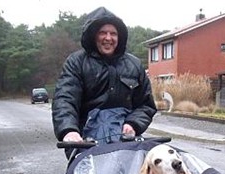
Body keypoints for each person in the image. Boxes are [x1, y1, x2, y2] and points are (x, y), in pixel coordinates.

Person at [52, 6, 157, 148]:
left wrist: (133, 124)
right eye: (103, 33)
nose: (108, 38)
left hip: (126, 142)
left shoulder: (134, 64)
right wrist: (69, 130)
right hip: (85, 141)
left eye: (113, 33)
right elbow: (64, 99)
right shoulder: (76, 62)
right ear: (93, 35)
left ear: (119, 37)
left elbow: (146, 104)